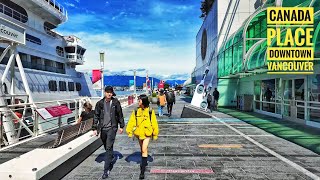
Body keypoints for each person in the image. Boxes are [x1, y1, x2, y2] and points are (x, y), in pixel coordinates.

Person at [92, 86, 125, 179]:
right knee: (107, 147)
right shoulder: (99, 103)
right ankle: (110, 157)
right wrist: (94, 128)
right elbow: (96, 116)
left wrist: (121, 126)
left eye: (110, 92)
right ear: (104, 92)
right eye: (107, 92)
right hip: (103, 129)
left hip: (112, 128)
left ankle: (106, 170)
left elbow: (120, 114)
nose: (109, 94)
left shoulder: (115, 102)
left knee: (108, 147)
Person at [126, 94, 159, 179]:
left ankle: (142, 171)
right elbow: (131, 121)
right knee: (142, 150)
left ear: (143, 101)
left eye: (139, 100)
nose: (138, 102)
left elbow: (154, 123)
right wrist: (129, 132)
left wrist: (155, 134)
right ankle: (144, 161)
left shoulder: (150, 111)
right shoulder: (136, 111)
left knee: (144, 149)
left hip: (147, 133)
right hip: (138, 133)